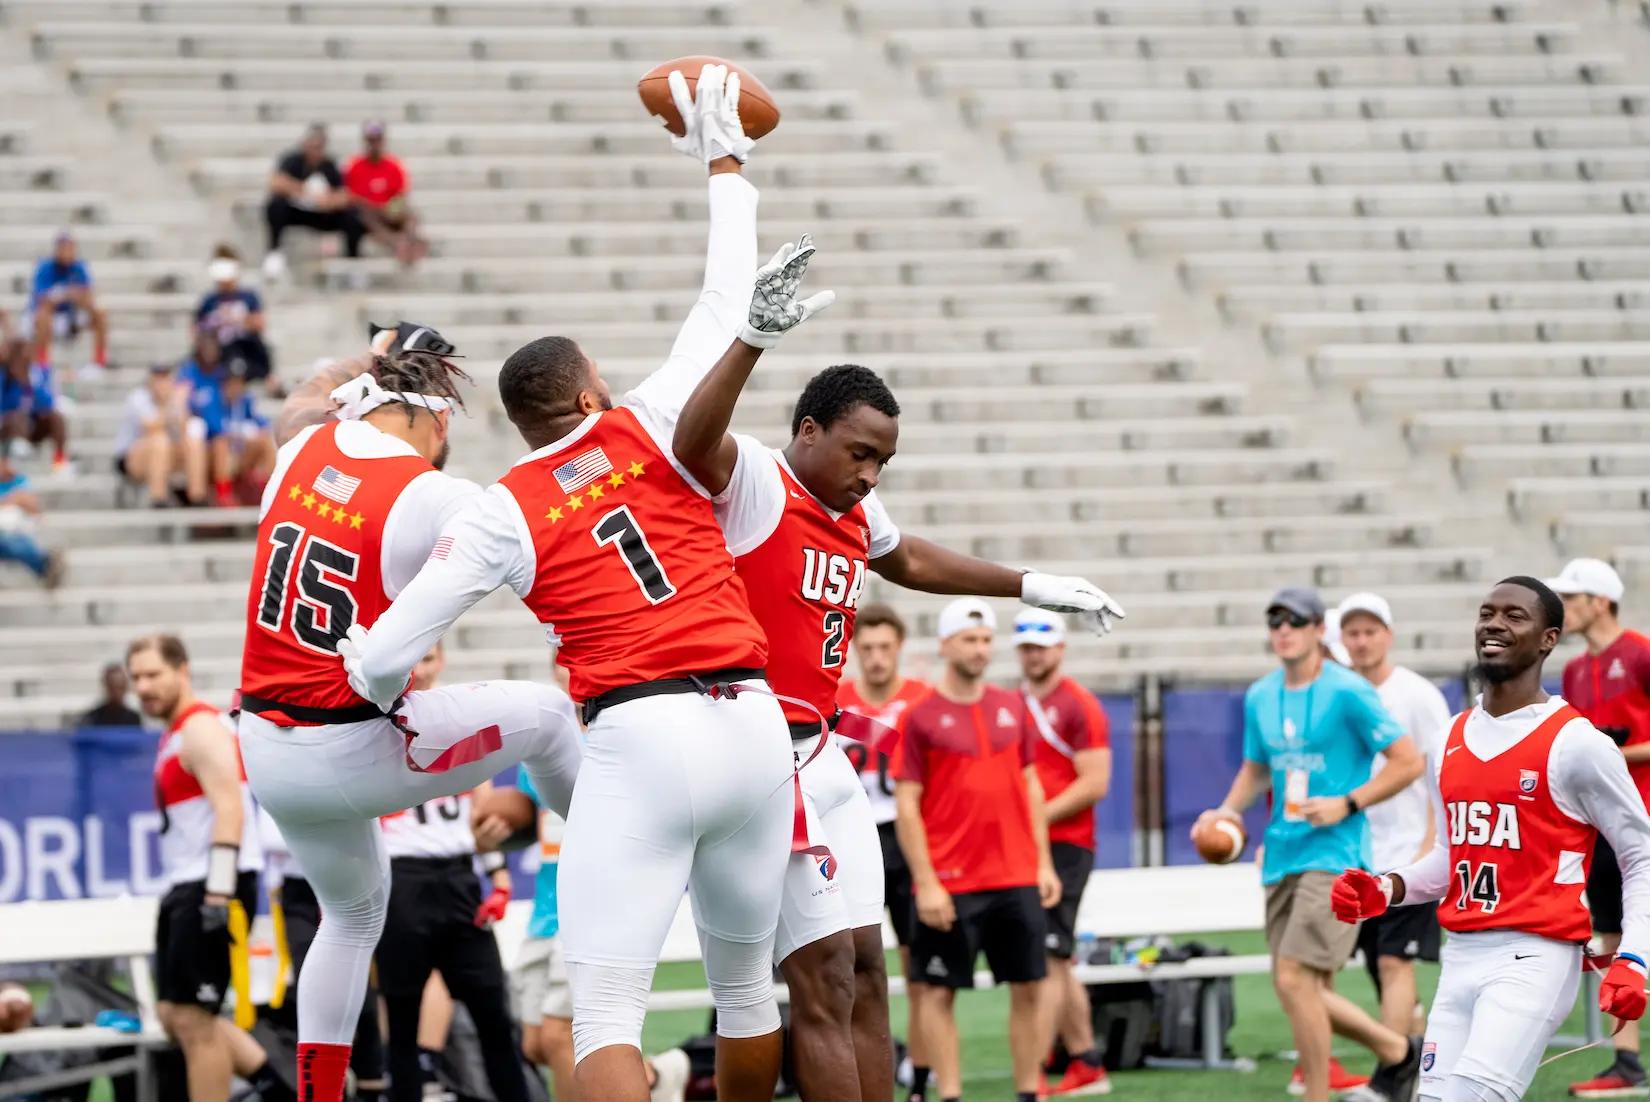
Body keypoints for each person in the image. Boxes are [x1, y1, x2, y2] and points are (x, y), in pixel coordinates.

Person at [342, 67, 803, 1102]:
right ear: (591, 391)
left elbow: (387, 649)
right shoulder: (648, 418)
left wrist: (362, 677)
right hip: (750, 718)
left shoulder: (505, 503)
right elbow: (727, 299)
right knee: (745, 994)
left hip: (639, 731)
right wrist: (726, 160)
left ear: (523, 424)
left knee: (602, 1012)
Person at [668, 304, 1123, 1100]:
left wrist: (1032, 585)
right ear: (807, 430)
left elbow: (906, 556)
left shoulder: (852, 506)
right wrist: (753, 340)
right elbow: (693, 444)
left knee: (872, 976)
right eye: (860, 453)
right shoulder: (758, 482)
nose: (871, 474)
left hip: (824, 756)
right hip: (759, 756)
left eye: (882, 461)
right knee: (820, 981)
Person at [234, 337, 585, 1102]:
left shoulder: (302, 446)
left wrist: (360, 361)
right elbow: (524, 537)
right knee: (551, 717)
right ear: (438, 420)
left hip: (265, 746)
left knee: (353, 914)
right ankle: (615, 854)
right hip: (345, 744)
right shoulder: (429, 492)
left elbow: (304, 398)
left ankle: (320, 1096)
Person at [1331, 576, 1650, 1102]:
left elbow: (1639, 857)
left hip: (1535, 955)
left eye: (1514, 615)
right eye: (1486, 613)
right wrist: (1386, 888)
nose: (1494, 624)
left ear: (1549, 638)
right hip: (1462, 954)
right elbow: (1449, 859)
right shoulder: (1449, 737)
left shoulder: (1577, 743)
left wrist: (1634, 956)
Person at [1194, 587, 1424, 1102]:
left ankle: (1330, 1088)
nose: (1283, 630)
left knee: (1296, 978)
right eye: (1274, 621)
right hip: (1282, 852)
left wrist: (1349, 802)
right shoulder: (1260, 695)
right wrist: (1227, 813)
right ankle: (1399, 1052)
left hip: (1337, 853)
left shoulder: (1349, 691)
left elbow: (1409, 762)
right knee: (1298, 988)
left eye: (1295, 621)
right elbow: (1256, 768)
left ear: (1320, 630)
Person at [891, 599, 1061, 1102]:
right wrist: (927, 883)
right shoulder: (921, 718)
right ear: (945, 645)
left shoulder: (1012, 706)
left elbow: (1030, 785)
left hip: (1015, 876)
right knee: (938, 993)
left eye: (986, 639)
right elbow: (907, 804)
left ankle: (1029, 1093)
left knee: (1030, 986)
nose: (980, 649)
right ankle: (950, 1095)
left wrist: (1043, 861)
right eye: (969, 639)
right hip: (953, 881)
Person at [129, 634, 290, 1102]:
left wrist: (217, 895)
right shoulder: (177, 732)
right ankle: (280, 1092)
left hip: (209, 884)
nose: (143, 686)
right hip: (188, 881)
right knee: (175, 1013)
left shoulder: (201, 728)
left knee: (196, 1022)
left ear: (183, 671)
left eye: (153, 674)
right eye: (136, 677)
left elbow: (230, 809)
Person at [373, 641, 528, 1102]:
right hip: (403, 881)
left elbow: (481, 808)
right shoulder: (373, 719)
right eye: (411, 659)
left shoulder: (460, 714)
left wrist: (497, 876)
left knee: (496, 1021)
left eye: (427, 658)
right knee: (401, 1025)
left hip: (459, 876)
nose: (418, 670)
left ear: (440, 661)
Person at [1542, 558, 1650, 1097]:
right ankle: (1627, 1060)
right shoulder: (1574, 671)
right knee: (1612, 930)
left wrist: (1617, 751)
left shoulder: (1640, 652)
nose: (1564, 606)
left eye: (1574, 596)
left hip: (1644, 817)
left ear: (1601, 600)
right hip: (1601, 823)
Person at [1335, 594, 1452, 1045]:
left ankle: (1393, 1074)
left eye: (1370, 632)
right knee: (1375, 963)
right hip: (1358, 851)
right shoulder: (1343, 693)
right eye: (1353, 633)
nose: (1361, 642)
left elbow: (1441, 771)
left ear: (1389, 636)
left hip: (1408, 852)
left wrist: (1429, 845)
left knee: (1393, 962)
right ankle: (1416, 1054)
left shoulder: (1417, 695)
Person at [1013, 609, 1113, 1098]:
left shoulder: (1078, 705)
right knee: (1059, 955)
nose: (1034, 655)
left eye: (1042, 646)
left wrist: (1035, 819)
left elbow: (1095, 782)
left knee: (1049, 956)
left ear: (1060, 648)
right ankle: (1086, 1059)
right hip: (1033, 843)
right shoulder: (1016, 703)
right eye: (1026, 647)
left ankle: (1033, 1073)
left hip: (1066, 844)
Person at [837, 604, 932, 1084]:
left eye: (884, 648)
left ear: (900, 648)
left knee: (918, 958)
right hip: (851, 835)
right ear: (853, 649)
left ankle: (919, 1059)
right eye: (867, 648)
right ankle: (861, 1059)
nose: (876, 658)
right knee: (852, 958)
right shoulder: (834, 699)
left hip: (906, 833)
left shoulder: (922, 701)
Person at [262, 124, 365, 283]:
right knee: (275, 205)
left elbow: (343, 195)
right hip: (297, 211)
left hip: (322, 213)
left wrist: (327, 201)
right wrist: (304, 190)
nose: (316, 150)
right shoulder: (292, 161)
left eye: (320, 146)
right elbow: (276, 182)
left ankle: (353, 261)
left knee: (353, 216)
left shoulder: (329, 165)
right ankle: (274, 251)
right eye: (313, 145)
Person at [115, 363, 209, 507]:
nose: (162, 383)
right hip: (132, 458)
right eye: (158, 379)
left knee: (194, 443)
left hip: (167, 454)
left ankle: (197, 497)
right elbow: (151, 427)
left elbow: (185, 430)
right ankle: (159, 498)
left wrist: (179, 406)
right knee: (160, 441)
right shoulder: (138, 397)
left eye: (165, 379)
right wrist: (170, 406)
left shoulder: (176, 398)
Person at [344, 121, 427, 267]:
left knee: (411, 216)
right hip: (368, 213)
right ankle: (396, 244)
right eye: (371, 140)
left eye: (377, 139)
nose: (374, 144)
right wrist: (378, 208)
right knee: (365, 215)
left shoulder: (393, 165)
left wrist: (391, 209)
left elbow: (401, 195)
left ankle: (410, 243)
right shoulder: (355, 166)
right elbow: (353, 197)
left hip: (390, 210)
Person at [26, 230, 107, 378]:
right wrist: (66, 294)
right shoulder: (45, 268)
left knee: (100, 312)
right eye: (63, 248)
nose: (67, 252)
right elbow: (42, 299)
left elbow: (89, 295)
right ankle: (43, 363)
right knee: (43, 315)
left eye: (70, 248)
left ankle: (99, 362)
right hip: (50, 318)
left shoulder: (79, 267)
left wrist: (73, 296)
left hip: (72, 315)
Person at [196, 246, 272, 389]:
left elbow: (260, 324)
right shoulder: (209, 301)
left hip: (246, 348)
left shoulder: (248, 297)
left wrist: (237, 319)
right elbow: (197, 330)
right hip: (219, 351)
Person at [1, 333, 69, 475]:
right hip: (9, 428)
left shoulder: (40, 373)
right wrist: (14, 382)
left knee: (56, 418)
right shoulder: (3, 377)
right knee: (17, 418)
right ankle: (16, 462)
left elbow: (49, 403)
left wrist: (28, 384)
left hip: (33, 425)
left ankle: (60, 461)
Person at [0, 461, 63, 587]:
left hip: (13, 530)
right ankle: (44, 565)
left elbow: (34, 508)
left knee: (16, 539)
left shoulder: (19, 480)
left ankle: (45, 565)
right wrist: (13, 500)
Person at [82, 661, 141, 727]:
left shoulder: (133, 719)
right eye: (112, 686)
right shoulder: (92, 718)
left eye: (120, 687)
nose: (116, 692)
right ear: (106, 686)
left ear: (126, 687)